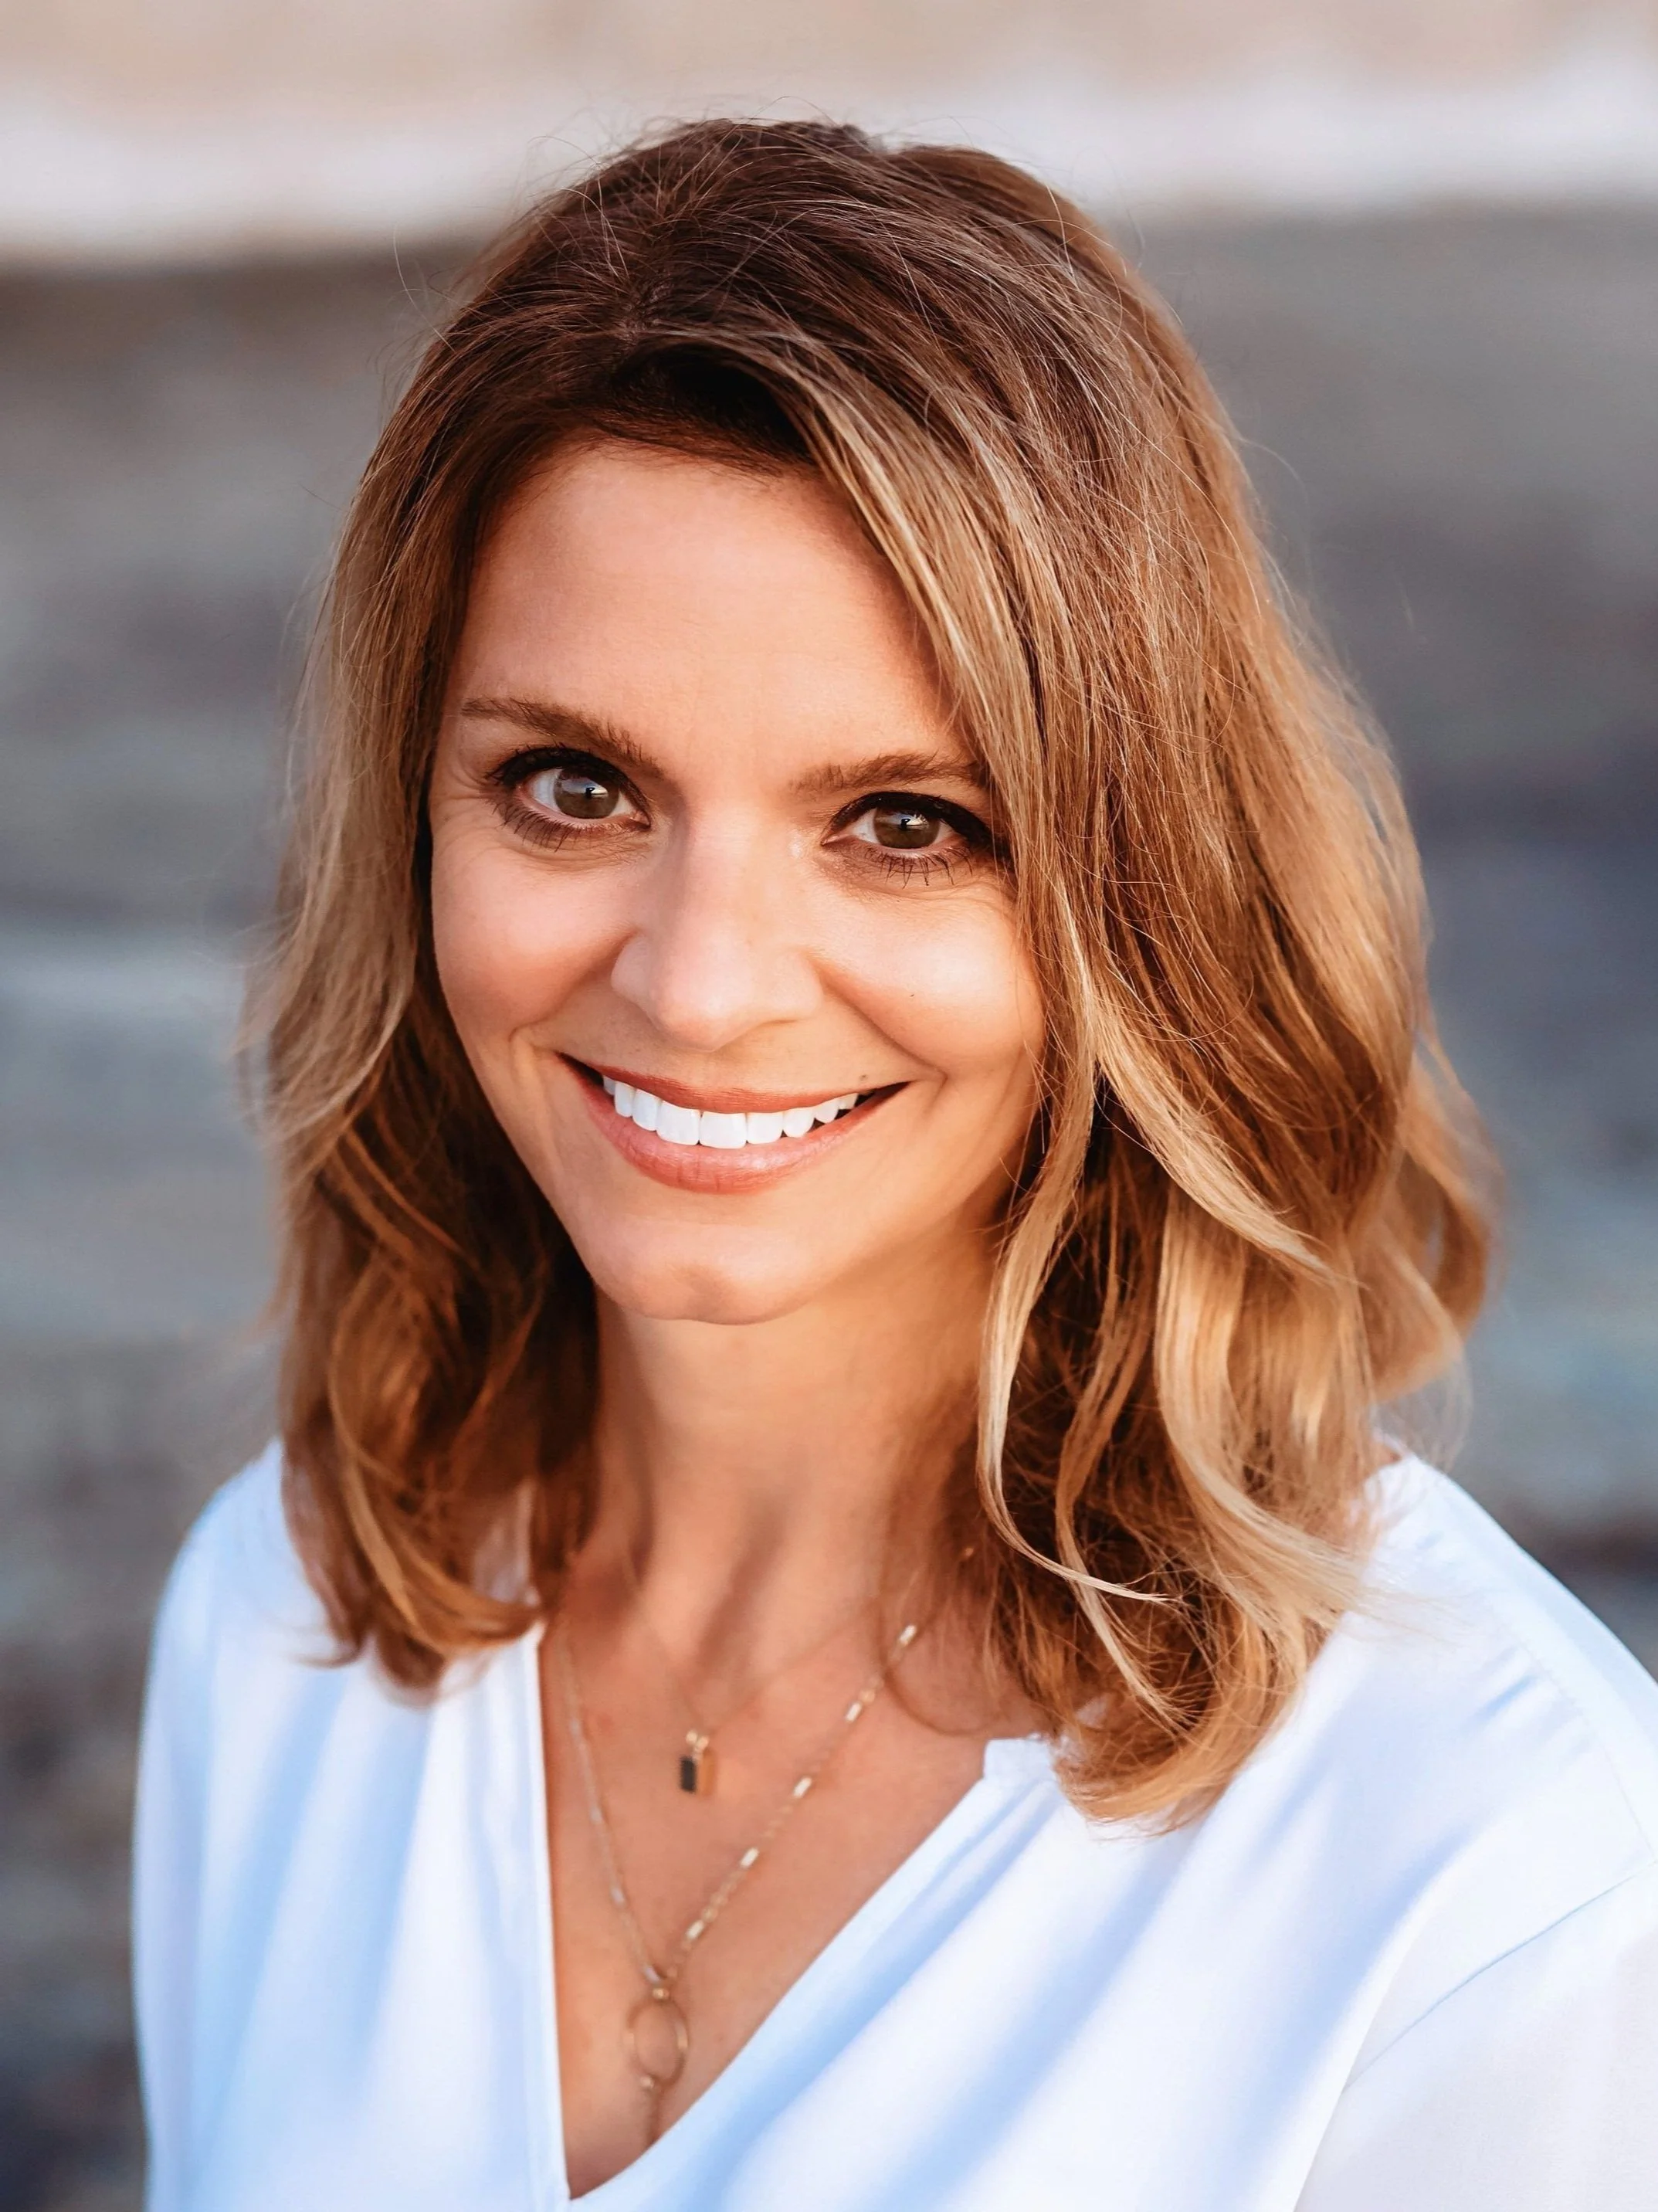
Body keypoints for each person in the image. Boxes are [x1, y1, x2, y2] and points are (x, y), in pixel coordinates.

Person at [132, 120, 1658, 2210]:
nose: (702, 986)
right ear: (417, 823)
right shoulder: (279, 1619)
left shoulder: (1499, 1879)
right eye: (573, 788)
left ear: (1134, 897)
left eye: (906, 822)